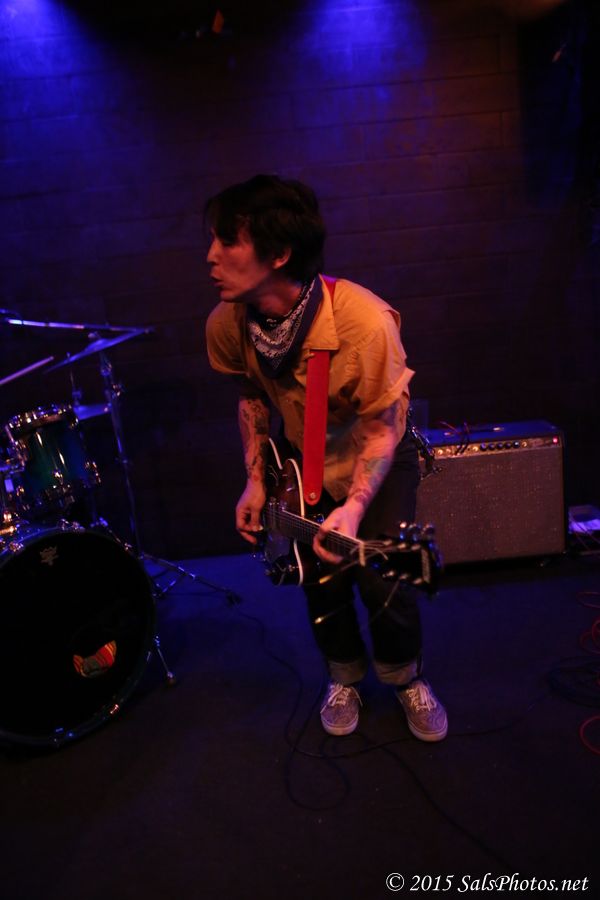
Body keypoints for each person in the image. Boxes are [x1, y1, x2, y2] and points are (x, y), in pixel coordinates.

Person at [204, 174, 447, 742]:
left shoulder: (366, 323)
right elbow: (251, 397)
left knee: (385, 583)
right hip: (300, 457)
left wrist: (355, 507)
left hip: (374, 457)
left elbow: (383, 429)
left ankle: (405, 676)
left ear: (279, 254)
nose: (210, 256)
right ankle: (344, 676)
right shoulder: (225, 324)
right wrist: (256, 480)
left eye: (227, 241)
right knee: (320, 579)